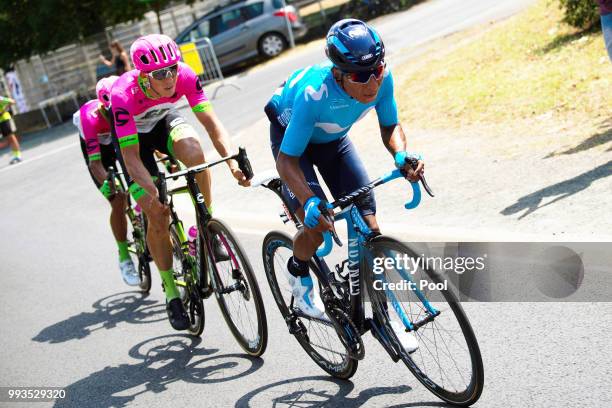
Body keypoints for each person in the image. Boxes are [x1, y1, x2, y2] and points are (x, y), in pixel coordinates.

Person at [264, 19, 424, 350]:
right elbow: (286, 161)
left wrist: (402, 156)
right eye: (359, 75)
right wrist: (308, 200)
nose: (372, 82)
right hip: (293, 145)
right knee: (318, 225)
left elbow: (390, 124)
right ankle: (298, 273)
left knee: (369, 224)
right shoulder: (315, 93)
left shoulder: (382, 77)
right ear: (338, 73)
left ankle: (382, 315)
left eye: (376, 69)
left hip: (333, 141)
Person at [111, 34, 250, 331]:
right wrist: (152, 193)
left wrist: (232, 162)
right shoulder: (122, 94)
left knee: (195, 153)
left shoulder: (184, 76)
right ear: (144, 76)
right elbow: (132, 158)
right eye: (161, 73)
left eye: (173, 68)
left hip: (163, 123)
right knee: (157, 214)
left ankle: (206, 224)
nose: (170, 77)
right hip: (134, 143)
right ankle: (171, 293)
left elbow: (212, 124)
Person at [73, 76, 140, 286]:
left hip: (119, 139)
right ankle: (124, 257)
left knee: (141, 182)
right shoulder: (89, 117)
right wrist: (110, 185)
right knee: (118, 199)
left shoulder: (127, 105)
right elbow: (95, 164)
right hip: (98, 151)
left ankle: (142, 218)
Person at [0, 95, 23, 164]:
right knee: (9, 139)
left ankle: (18, 156)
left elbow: (12, 101)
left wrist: (3, 111)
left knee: (11, 137)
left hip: (5, 119)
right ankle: (16, 155)